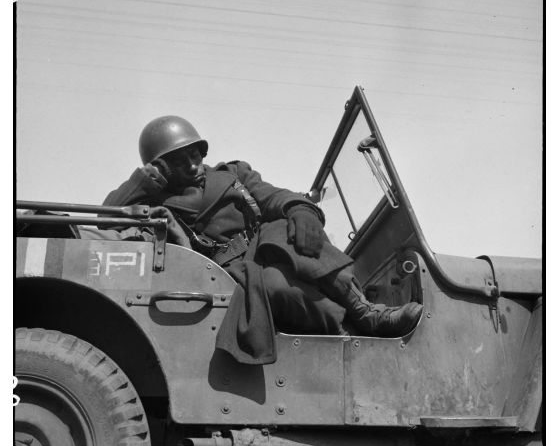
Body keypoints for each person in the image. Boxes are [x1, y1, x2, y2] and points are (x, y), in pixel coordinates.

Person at [103, 116, 422, 363]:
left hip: (267, 247)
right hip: (226, 274)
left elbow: (271, 196)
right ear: (160, 167)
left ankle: (365, 311)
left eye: (195, 154)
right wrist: (139, 184)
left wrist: (299, 207)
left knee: (284, 227)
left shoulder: (233, 174)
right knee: (278, 287)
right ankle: (348, 333)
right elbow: (104, 221)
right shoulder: (155, 201)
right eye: (178, 161)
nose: (192, 165)